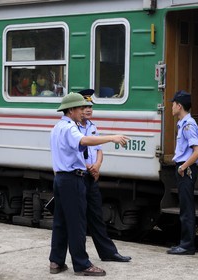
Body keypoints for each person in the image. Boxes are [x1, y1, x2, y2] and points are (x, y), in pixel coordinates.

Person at [49, 92, 129, 276]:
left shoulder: (57, 127)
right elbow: (83, 140)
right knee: (77, 222)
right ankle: (82, 264)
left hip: (60, 178)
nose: (82, 111)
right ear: (71, 110)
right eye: (79, 108)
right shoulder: (70, 128)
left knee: (60, 222)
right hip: (72, 178)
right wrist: (111, 137)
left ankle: (56, 261)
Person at [78, 89, 132, 263]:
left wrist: (98, 165)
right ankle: (71, 257)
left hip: (91, 177)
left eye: (90, 106)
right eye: (85, 106)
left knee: (97, 216)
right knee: (75, 219)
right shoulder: (73, 127)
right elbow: (74, 152)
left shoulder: (92, 126)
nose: (88, 109)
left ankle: (108, 253)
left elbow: (98, 150)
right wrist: (88, 167)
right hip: (78, 176)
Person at [166, 90, 198, 255]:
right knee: (185, 207)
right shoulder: (185, 123)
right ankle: (185, 243)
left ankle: (187, 245)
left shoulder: (188, 124)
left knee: (186, 209)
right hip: (185, 167)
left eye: (173, 104)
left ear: (179, 106)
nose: (171, 107)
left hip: (185, 169)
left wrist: (182, 167)